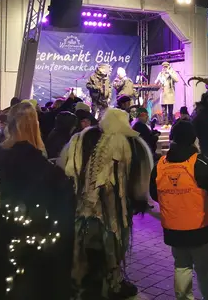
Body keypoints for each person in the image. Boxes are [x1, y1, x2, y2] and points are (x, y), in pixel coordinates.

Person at [0, 102, 75, 299]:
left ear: (9, 126)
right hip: (32, 260)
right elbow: (62, 224)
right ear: (35, 126)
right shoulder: (49, 173)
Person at [62, 108, 153, 299]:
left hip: (83, 210)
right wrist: (139, 201)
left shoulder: (82, 139)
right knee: (112, 248)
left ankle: (84, 284)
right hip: (114, 213)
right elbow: (140, 182)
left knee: (85, 248)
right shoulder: (132, 144)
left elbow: (67, 169)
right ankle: (112, 284)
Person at [150, 121, 208, 300]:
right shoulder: (202, 163)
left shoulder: (159, 165)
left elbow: (154, 194)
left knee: (181, 266)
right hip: (201, 228)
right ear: (193, 138)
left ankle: (183, 297)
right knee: (203, 269)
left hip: (173, 229)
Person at [155, 62, 179, 127]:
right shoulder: (160, 73)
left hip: (170, 93)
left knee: (170, 110)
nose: (165, 68)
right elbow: (156, 82)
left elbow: (177, 80)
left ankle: (170, 123)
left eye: (166, 66)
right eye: (164, 66)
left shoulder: (172, 72)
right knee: (164, 110)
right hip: (163, 94)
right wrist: (158, 80)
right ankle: (165, 123)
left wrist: (169, 73)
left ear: (169, 66)